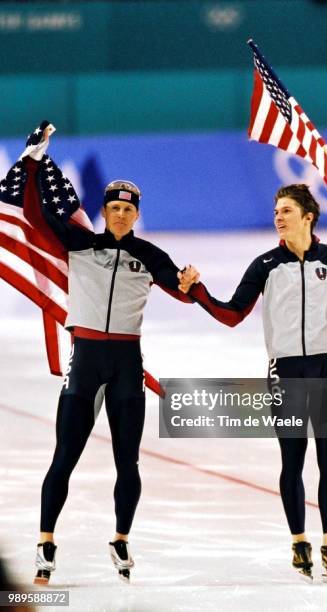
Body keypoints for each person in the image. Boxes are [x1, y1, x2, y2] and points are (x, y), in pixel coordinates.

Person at [178, 183, 327, 583]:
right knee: (293, 461)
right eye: (276, 211)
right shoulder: (265, 265)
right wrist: (197, 291)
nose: (278, 217)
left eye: (286, 211)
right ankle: (299, 539)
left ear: (307, 217)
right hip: (286, 372)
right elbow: (232, 315)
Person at [11, 122, 197, 584]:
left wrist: (191, 285)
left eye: (126, 210)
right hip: (87, 359)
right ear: (103, 210)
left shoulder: (149, 256)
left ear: (136, 215)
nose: (119, 216)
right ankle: (46, 541)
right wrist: (33, 162)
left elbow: (183, 291)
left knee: (127, 460)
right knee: (64, 456)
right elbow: (35, 216)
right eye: (113, 208)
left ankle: (120, 539)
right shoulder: (80, 244)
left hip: (126, 364)